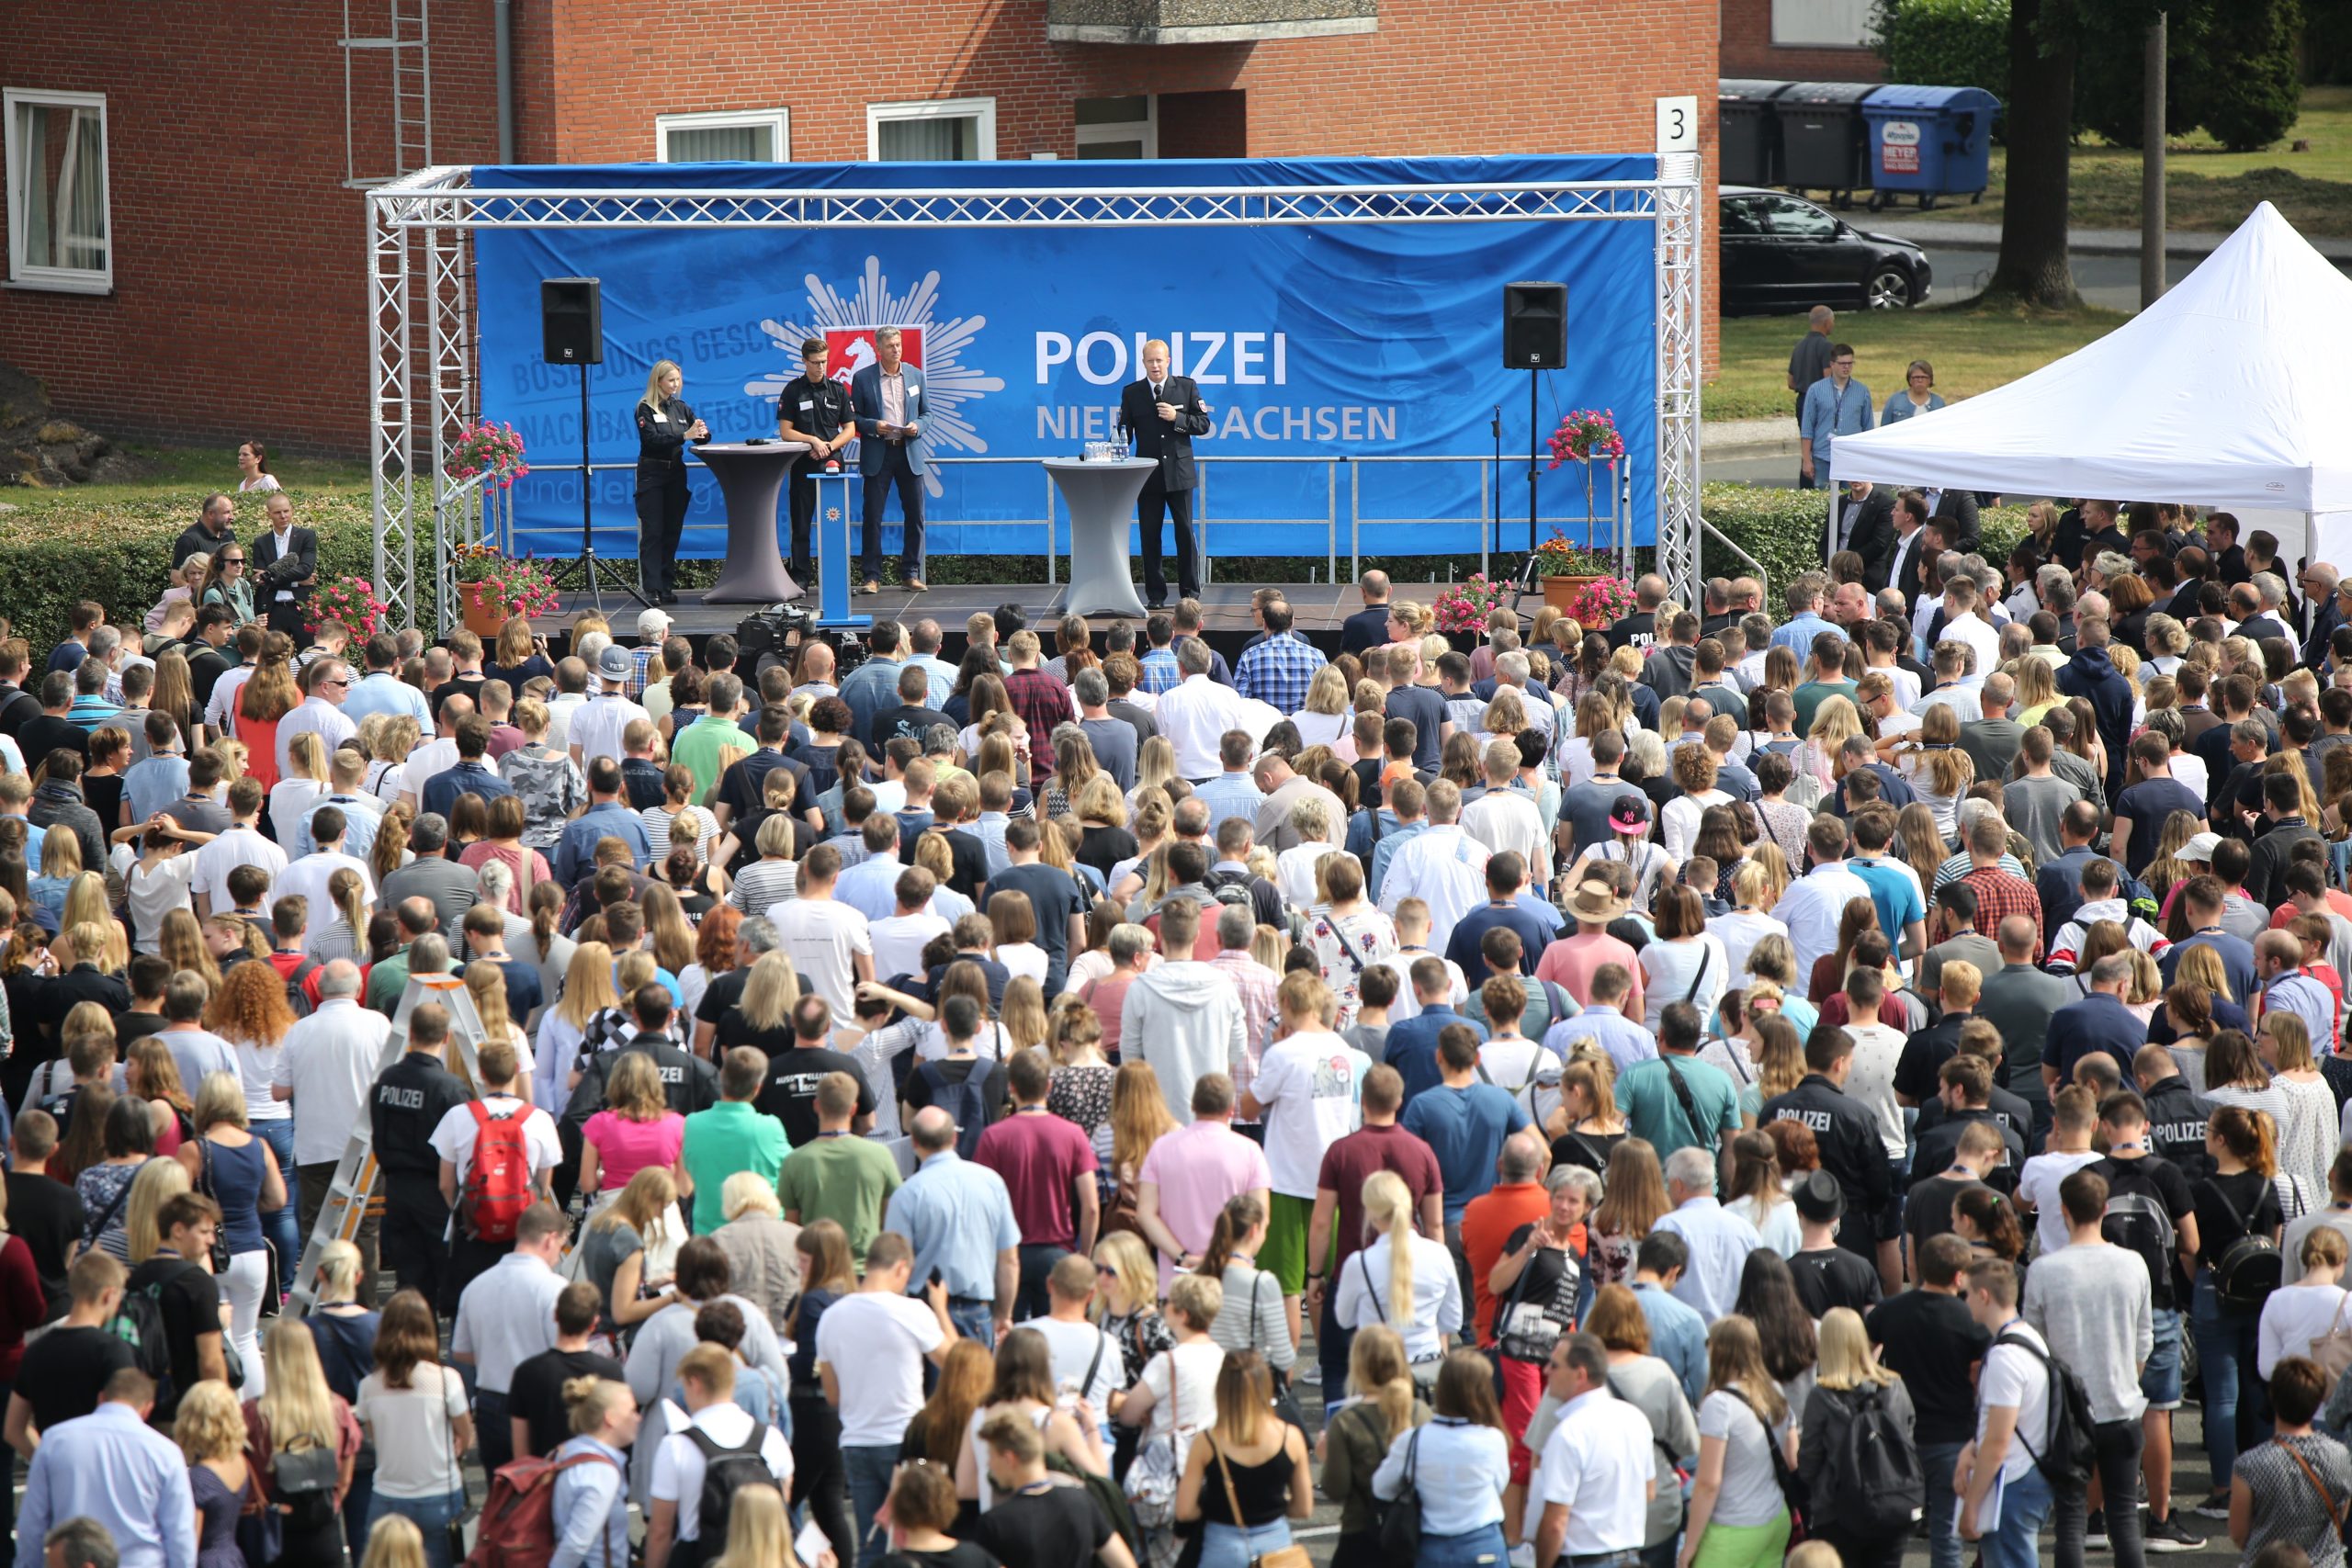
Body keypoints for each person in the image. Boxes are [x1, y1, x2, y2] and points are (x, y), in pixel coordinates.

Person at [2024, 1168, 2153, 1568]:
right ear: (2105, 1209)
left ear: (2064, 1210)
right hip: (2122, 1406)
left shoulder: (2044, 1270)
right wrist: (2128, 1377)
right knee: (2125, 1519)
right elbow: (2144, 1337)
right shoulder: (2133, 1264)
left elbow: (2033, 1344)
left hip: (2067, 1415)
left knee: (2070, 1521)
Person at [813, 1233, 958, 1568]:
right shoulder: (911, 1310)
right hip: (906, 1442)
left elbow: (833, 1395)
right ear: (902, 1268)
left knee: (871, 1543)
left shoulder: (831, 1317)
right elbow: (956, 1364)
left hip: (856, 1440)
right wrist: (940, 1308)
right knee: (920, 1541)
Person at [15, 1368, 195, 1568]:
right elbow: (180, 1533)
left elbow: (31, 1523)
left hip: (74, 1561)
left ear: (101, 1397)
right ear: (147, 1409)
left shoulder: (55, 1441)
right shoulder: (166, 1452)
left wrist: (27, 1564)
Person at [643, 1342, 795, 1568]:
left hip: (699, 1558)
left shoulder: (676, 1445)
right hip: (761, 1558)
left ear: (694, 1383)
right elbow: (782, 1503)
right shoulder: (771, 1438)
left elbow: (660, 1531)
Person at [354, 1290, 471, 1568]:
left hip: (389, 1495)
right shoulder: (446, 1379)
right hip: (439, 1493)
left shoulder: (369, 1386)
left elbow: (376, 1438)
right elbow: (465, 1434)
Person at [1798, 1307, 1918, 1568]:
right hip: (1891, 1502)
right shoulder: (1895, 1385)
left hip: (1837, 1510)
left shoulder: (1822, 1396)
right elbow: (1908, 1436)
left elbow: (1809, 1460)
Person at [240, 1320, 365, 1568]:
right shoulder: (337, 1409)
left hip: (273, 1536)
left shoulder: (253, 1414)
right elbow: (345, 1480)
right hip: (324, 1533)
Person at [1532, 1331, 1658, 1568]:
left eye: (1555, 1365)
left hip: (1584, 1560)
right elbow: (1649, 1491)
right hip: (1629, 1558)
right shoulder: (1635, 1418)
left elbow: (1555, 1524)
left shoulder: (1569, 1434)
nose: (1546, 1371)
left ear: (1580, 1375)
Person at [1959, 1258, 2055, 1568]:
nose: (1965, 1302)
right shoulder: (2030, 1338)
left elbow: (1998, 1441)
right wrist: (1971, 1448)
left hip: (2011, 1485)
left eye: (1967, 1294)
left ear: (1984, 1295)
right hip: (2028, 1475)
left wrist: (1972, 1505)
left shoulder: (2004, 1357)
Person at [969, 1407, 1139, 1568]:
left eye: (991, 1455)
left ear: (1009, 1458)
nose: (989, 1464)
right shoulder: (1081, 1502)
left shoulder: (995, 1523)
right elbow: (1124, 1563)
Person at [2230, 1356, 2352, 1568]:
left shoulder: (2249, 1464)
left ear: (2273, 1398)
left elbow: (2239, 1534)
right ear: (2317, 1402)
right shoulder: (2340, 1456)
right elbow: (2341, 1514)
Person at [1119, 341, 1210, 610]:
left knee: (1185, 533)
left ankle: (1190, 593)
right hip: (1148, 476)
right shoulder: (1132, 392)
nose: (1155, 366)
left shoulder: (1186, 387)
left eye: (1159, 360)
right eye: (1150, 361)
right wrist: (1112, 447)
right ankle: (1156, 595)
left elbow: (1203, 424)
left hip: (1180, 474)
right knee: (1149, 536)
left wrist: (1177, 418)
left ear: (1168, 361)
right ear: (1143, 363)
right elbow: (1124, 434)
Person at [849, 327, 931, 593]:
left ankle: (911, 574)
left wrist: (918, 426)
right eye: (890, 346)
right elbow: (854, 418)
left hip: (909, 452)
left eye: (898, 345)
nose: (896, 350)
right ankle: (871, 576)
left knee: (915, 515)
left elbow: (927, 414)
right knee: (872, 516)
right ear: (878, 349)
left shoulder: (916, 375)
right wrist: (874, 425)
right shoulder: (863, 378)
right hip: (879, 453)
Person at [774, 336, 857, 583]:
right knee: (801, 524)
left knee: (835, 522)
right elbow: (786, 431)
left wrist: (828, 446)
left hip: (833, 464)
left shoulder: (838, 389)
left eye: (824, 361)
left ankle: (837, 578)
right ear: (804, 361)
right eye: (815, 362)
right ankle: (800, 576)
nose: (821, 367)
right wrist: (812, 440)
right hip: (804, 465)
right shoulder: (793, 390)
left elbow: (850, 429)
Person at [633, 360, 707, 606]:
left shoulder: (681, 407)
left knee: (672, 530)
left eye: (678, 379)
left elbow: (701, 438)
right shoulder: (645, 408)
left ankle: (666, 586)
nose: (675, 384)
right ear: (658, 381)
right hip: (652, 473)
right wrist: (684, 435)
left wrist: (702, 432)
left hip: (676, 473)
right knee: (653, 531)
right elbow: (652, 440)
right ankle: (652, 588)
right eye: (671, 380)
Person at [545, 1374, 638, 1568]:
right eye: (632, 1411)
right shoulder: (601, 1472)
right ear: (610, 1418)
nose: (638, 1418)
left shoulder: (563, 1452)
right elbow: (576, 1544)